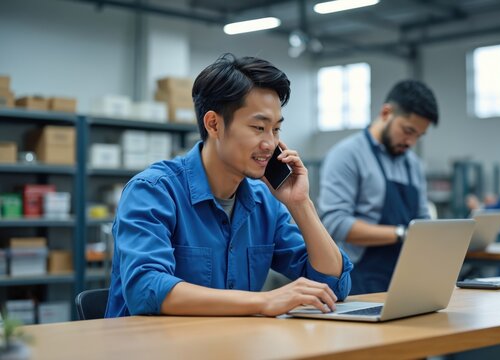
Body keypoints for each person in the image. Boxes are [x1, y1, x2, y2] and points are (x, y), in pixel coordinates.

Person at [105, 54, 352, 318]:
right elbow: (146, 289)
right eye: (258, 127)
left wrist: (301, 204)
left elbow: (332, 285)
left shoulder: (264, 201)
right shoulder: (153, 191)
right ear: (213, 124)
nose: (270, 143)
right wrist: (263, 301)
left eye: (276, 130)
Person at [318, 80, 438, 295]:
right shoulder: (347, 155)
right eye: (408, 130)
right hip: (359, 281)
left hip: (406, 279)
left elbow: (422, 219)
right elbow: (335, 223)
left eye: (418, 136)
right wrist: (401, 233)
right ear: (386, 113)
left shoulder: (413, 164)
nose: (411, 142)